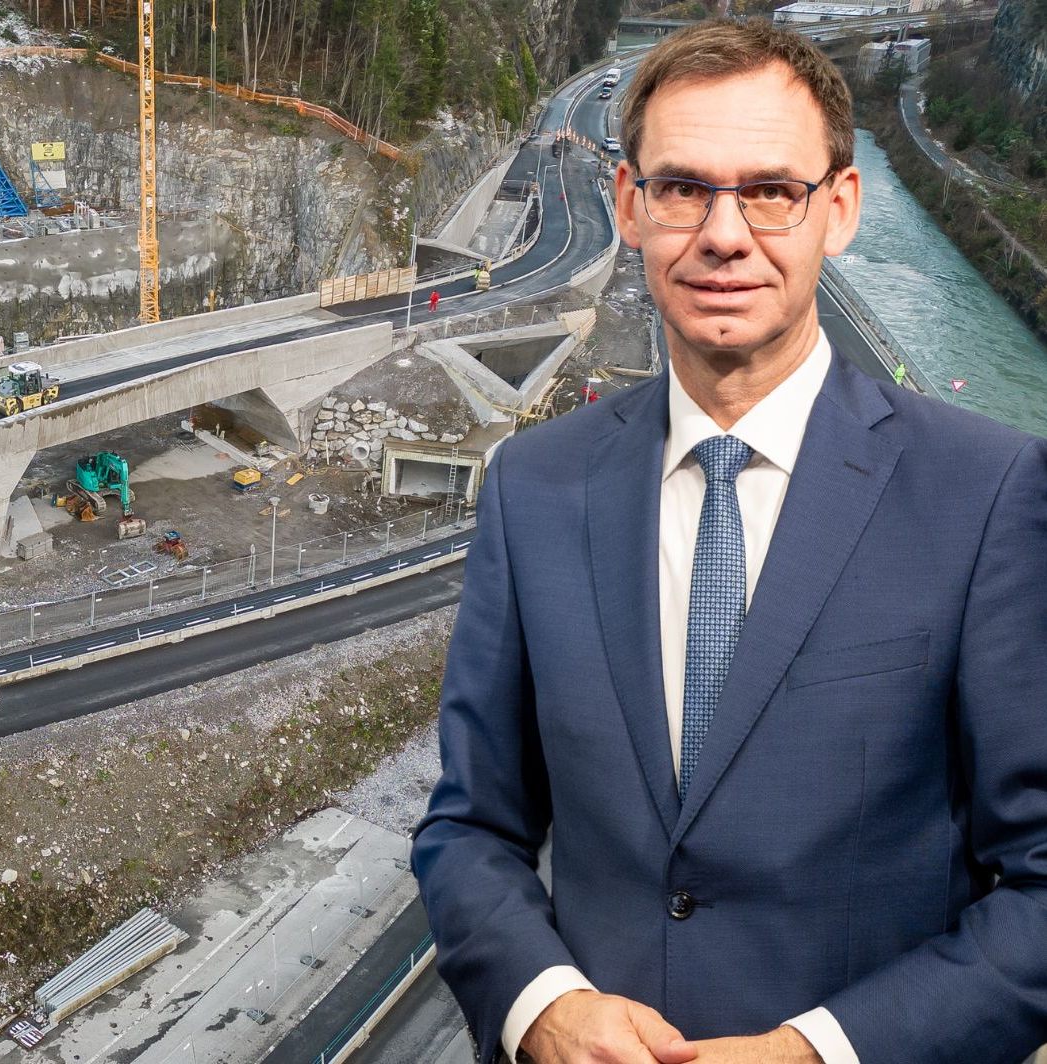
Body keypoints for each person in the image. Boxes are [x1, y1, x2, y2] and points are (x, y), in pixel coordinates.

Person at [412, 20, 1047, 1064]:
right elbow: (470, 826)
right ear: (629, 206)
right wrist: (545, 1004)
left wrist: (816, 1048)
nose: (722, 231)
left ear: (838, 209)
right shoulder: (535, 488)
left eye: (769, 190)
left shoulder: (985, 493)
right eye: (683, 188)